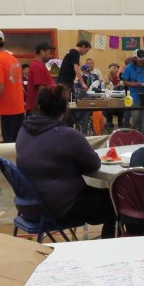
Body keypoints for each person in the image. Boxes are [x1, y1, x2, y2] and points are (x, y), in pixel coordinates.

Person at [15, 84, 115, 239]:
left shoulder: (23, 131)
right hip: (58, 207)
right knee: (117, 201)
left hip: (28, 206)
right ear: (65, 110)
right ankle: (110, 246)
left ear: (39, 107)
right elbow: (94, 164)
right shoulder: (68, 135)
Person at [121, 49, 144, 133]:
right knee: (135, 119)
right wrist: (135, 84)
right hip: (135, 97)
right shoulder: (129, 68)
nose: (142, 60)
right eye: (140, 59)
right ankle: (135, 136)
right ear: (135, 58)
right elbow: (125, 82)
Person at [27, 43, 56, 115]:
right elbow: (40, 88)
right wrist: (43, 105)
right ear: (42, 52)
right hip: (38, 108)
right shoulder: (37, 65)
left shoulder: (41, 65)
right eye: (49, 53)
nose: (51, 56)